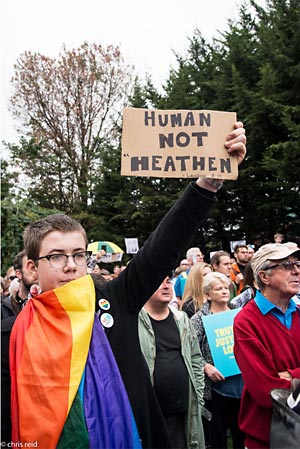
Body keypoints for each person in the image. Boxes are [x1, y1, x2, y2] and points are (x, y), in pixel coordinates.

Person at [7, 122, 246, 448]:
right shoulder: (13, 333)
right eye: (57, 257)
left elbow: (161, 248)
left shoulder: (113, 297)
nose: (71, 265)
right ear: (32, 268)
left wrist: (209, 182)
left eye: (78, 254)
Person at [233, 242, 300, 449]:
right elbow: (265, 391)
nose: (297, 270)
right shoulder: (246, 322)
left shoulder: (299, 313)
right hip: (266, 439)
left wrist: (291, 376)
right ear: (264, 276)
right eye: (287, 265)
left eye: (298, 264)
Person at [138, 275, 205, 449]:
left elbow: (196, 358)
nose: (166, 286)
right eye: (159, 281)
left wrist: (197, 392)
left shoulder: (181, 319)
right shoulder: (134, 322)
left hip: (183, 411)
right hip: (151, 414)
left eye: (168, 281)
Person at [191, 272, 244, 449]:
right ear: (208, 294)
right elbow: (190, 350)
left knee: (242, 433)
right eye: (218, 288)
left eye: (225, 288)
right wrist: (206, 367)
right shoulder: (198, 319)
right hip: (216, 387)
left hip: (242, 383)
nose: (224, 291)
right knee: (217, 436)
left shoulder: (240, 313)